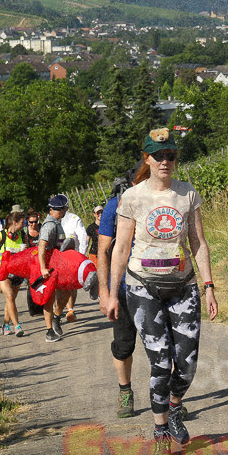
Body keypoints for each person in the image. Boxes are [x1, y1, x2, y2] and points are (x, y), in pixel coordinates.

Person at [106, 128, 218, 455]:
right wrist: (113, 294)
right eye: (158, 155)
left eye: (170, 155)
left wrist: (209, 286)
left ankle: (173, 407)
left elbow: (198, 243)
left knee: (186, 364)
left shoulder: (187, 194)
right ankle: (160, 432)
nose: (165, 161)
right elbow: (121, 247)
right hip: (143, 287)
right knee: (160, 360)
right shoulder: (133, 197)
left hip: (183, 286)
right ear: (147, 158)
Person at [97, 169, 140, 418]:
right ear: (133, 181)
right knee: (123, 347)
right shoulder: (114, 206)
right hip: (123, 289)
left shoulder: (162, 201)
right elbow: (103, 251)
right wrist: (105, 292)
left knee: (164, 347)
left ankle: (169, 399)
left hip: (157, 286)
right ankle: (125, 391)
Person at [0, 211, 30, 337]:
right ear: (15, 222)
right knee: (10, 297)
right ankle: (17, 326)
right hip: (3, 272)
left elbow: (27, 254)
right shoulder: (1, 236)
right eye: (22, 223)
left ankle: (5, 325)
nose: (24, 225)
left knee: (10, 300)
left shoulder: (23, 236)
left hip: (18, 272)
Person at [39, 195, 70, 342]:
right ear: (54, 210)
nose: (63, 212)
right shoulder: (49, 225)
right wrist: (43, 267)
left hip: (58, 264)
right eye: (62, 210)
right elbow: (41, 246)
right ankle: (48, 330)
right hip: (49, 267)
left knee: (66, 291)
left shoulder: (57, 222)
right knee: (49, 298)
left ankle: (57, 317)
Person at [58, 196, 89, 323]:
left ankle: (70, 310)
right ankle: (58, 310)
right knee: (58, 286)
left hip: (72, 258)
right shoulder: (52, 221)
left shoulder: (74, 219)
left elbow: (83, 238)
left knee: (71, 286)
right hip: (58, 259)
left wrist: (81, 256)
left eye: (60, 208)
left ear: (65, 208)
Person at [87, 204, 103, 269]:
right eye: (98, 213)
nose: (100, 214)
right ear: (94, 214)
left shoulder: (107, 226)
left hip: (105, 254)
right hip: (94, 254)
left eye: (102, 212)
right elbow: (87, 242)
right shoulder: (91, 228)